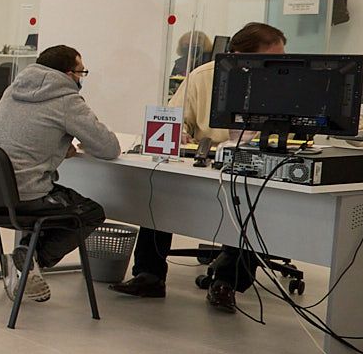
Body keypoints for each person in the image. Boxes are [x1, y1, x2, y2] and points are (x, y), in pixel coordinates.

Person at [113, 21, 287, 311]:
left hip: (256, 167)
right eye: (270, 59)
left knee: (248, 205)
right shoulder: (203, 76)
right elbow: (174, 115)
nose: (279, 67)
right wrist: (178, 131)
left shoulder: (286, 81)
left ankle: (226, 283)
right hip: (206, 160)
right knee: (158, 193)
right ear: (238, 56)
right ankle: (149, 275)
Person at [0, 44, 120, 303]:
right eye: (81, 72)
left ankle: (25, 255)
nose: (82, 78)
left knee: (52, 201)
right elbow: (108, 148)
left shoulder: (13, 89)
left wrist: (56, 145)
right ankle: (31, 259)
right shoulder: (67, 100)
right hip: (25, 195)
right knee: (90, 213)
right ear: (68, 74)